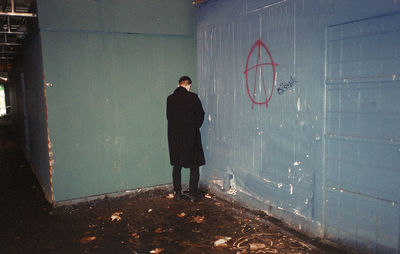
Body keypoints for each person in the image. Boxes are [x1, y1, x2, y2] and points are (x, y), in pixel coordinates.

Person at [167, 76, 205, 201]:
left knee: (177, 166)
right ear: (188, 86)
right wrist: (194, 127)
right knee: (194, 165)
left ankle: (178, 193)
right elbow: (200, 115)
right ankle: (193, 194)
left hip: (175, 138)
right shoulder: (193, 97)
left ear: (178, 85)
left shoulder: (170, 99)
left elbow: (169, 117)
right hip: (190, 138)